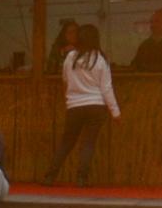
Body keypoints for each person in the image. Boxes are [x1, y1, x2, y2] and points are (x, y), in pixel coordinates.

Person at [42, 23, 118, 185]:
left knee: (67, 142)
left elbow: (65, 81)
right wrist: (115, 112)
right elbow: (106, 88)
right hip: (96, 105)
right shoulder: (100, 59)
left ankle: (50, 176)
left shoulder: (70, 58)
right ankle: (81, 178)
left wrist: (69, 99)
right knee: (88, 143)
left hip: (75, 106)